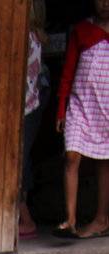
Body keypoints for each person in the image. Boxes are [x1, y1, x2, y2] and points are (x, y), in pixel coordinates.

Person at [54, 0, 109, 240]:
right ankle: (71, 220)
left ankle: (101, 219)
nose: (105, 4)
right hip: (81, 104)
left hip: (106, 107)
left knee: (104, 162)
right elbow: (67, 71)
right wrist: (61, 109)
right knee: (71, 155)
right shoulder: (82, 31)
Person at [20, 2, 49, 237]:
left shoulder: (28, 38)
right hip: (30, 106)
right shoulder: (36, 37)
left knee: (16, 162)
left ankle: (26, 220)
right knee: (21, 159)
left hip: (25, 107)